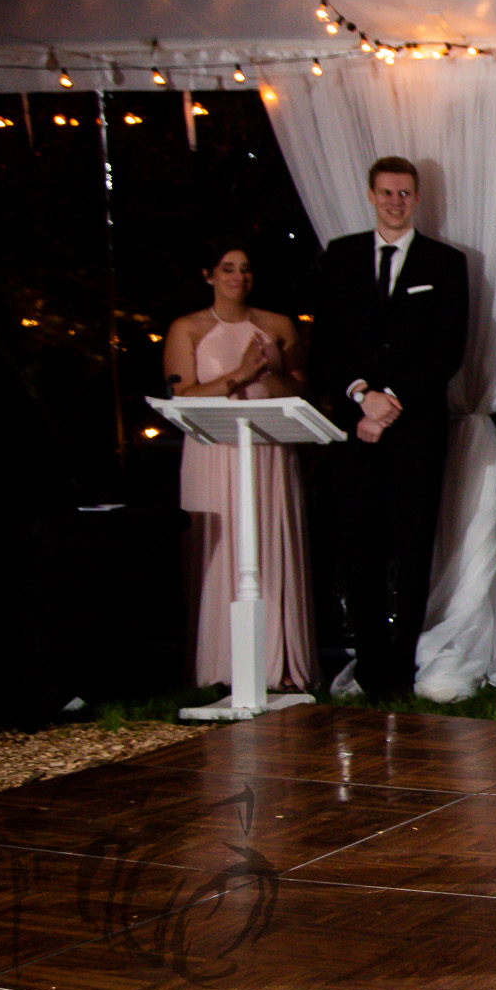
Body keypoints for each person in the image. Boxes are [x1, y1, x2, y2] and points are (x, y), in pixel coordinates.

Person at [309, 157, 468, 697]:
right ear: (371, 195)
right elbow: (325, 340)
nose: (396, 201)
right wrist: (362, 396)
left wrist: (392, 402)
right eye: (386, 193)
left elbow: (448, 348)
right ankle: (370, 663)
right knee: (359, 545)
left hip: (415, 429)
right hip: (354, 428)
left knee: (413, 544)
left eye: (404, 193)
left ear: (417, 198)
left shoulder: (445, 263)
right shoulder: (341, 255)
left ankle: (402, 667)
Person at [162, 239, 316, 690]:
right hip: (213, 451)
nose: (238, 277)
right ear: (209, 275)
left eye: (245, 269)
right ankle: (220, 666)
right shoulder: (186, 328)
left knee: (270, 540)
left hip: (267, 449)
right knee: (222, 546)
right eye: (227, 268)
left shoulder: (278, 325)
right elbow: (183, 394)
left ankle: (279, 664)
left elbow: (300, 391)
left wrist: (272, 370)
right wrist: (239, 375)